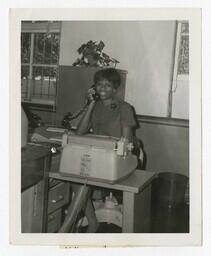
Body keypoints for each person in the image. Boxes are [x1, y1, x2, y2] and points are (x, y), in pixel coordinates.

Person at [60, 68, 139, 233]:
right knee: (76, 179)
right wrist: (91, 104)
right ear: (93, 87)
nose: (102, 88)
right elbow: (80, 132)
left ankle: (65, 228)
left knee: (83, 180)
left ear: (115, 89)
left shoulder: (124, 108)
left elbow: (127, 142)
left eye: (108, 85)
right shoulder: (95, 106)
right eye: (99, 84)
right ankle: (92, 221)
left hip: (122, 156)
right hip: (99, 155)